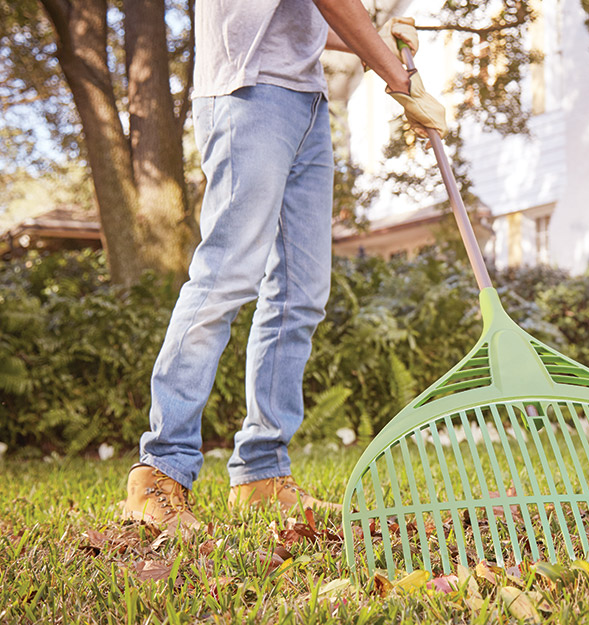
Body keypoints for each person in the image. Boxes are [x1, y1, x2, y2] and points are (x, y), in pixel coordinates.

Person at [121, 0, 447, 531]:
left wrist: (379, 41)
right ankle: (160, 470)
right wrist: (399, 79)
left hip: (307, 103)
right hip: (249, 96)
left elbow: (305, 20)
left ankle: (261, 474)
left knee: (300, 293)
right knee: (226, 277)